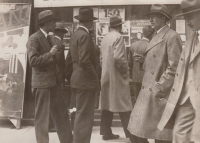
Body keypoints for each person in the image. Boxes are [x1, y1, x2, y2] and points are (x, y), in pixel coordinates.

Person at [127, 4, 182, 143]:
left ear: (164, 18)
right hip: (150, 91)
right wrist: (144, 60)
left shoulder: (171, 36)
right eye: (150, 17)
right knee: (138, 132)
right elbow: (157, 60)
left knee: (161, 136)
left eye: (155, 16)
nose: (151, 20)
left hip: (160, 94)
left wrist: (160, 86)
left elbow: (175, 67)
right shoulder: (157, 36)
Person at [27, 10, 73, 143]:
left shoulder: (50, 38)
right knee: (42, 118)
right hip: (42, 85)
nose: (55, 24)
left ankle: (68, 141)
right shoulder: (34, 38)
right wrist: (50, 54)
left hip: (54, 84)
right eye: (52, 22)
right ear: (46, 23)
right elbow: (33, 61)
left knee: (62, 115)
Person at [158, 0, 200, 142]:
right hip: (186, 98)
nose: (187, 22)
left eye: (191, 17)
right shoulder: (191, 39)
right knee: (179, 133)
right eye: (186, 18)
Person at [69, 7, 100, 143]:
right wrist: (95, 77)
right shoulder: (85, 36)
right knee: (85, 117)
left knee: (80, 115)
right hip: (85, 82)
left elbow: (72, 59)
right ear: (89, 22)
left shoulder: (75, 34)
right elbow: (85, 60)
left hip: (77, 80)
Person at [100, 16, 132, 141]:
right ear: (120, 26)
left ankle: (106, 133)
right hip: (117, 77)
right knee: (124, 106)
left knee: (106, 106)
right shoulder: (119, 37)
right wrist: (125, 71)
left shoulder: (104, 38)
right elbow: (119, 57)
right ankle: (132, 135)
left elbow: (102, 59)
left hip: (106, 76)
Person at [48, 22, 70, 133]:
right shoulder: (60, 44)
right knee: (57, 102)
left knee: (49, 101)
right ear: (61, 33)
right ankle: (53, 125)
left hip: (48, 77)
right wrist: (63, 79)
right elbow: (60, 64)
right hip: (57, 77)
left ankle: (49, 124)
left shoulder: (49, 40)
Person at [128, 25, 154, 103]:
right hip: (147, 78)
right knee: (146, 102)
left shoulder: (133, 45)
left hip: (135, 77)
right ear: (151, 34)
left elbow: (130, 63)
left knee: (137, 100)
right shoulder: (151, 45)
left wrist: (131, 76)